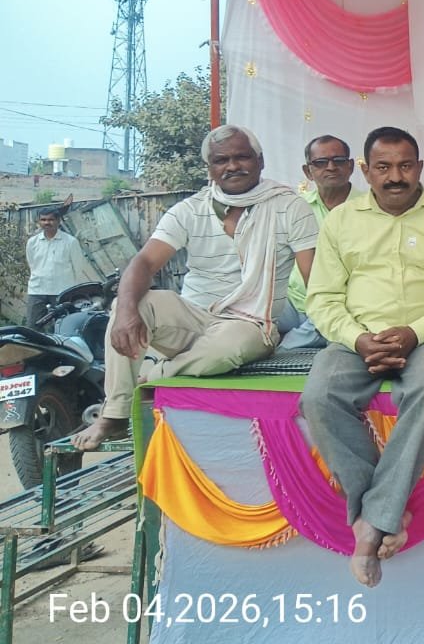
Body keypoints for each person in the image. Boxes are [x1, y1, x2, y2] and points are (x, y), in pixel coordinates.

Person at [302, 127, 424, 587]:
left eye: (405, 166)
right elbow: (322, 298)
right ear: (366, 172)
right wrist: (358, 338)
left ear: (419, 168)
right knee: (320, 395)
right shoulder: (341, 222)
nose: (395, 177)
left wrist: (414, 332)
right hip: (357, 337)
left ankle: (371, 522)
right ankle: (384, 511)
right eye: (383, 167)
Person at [73, 126, 318, 451]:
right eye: (221, 160)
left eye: (242, 157)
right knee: (128, 305)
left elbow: (314, 275)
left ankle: (156, 374)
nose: (232, 166)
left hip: (251, 323)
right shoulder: (191, 209)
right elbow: (143, 263)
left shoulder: (289, 207)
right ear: (210, 168)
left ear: (260, 161)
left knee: (230, 343)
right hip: (193, 318)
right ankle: (115, 414)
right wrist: (126, 311)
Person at [280, 134, 356, 349]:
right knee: (250, 319)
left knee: (288, 347)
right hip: (293, 301)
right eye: (321, 162)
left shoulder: (369, 207)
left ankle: (285, 346)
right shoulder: (296, 208)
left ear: (350, 166)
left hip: (341, 304)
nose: (331, 167)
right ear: (308, 171)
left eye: (338, 160)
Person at [25, 207, 95, 329]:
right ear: (39, 221)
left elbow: (78, 267)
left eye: (51, 219)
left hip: (62, 292)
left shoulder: (70, 242)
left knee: (63, 327)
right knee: (33, 327)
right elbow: (32, 264)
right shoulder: (32, 242)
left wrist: (71, 291)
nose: (47, 222)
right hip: (37, 290)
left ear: (58, 221)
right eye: (43, 220)